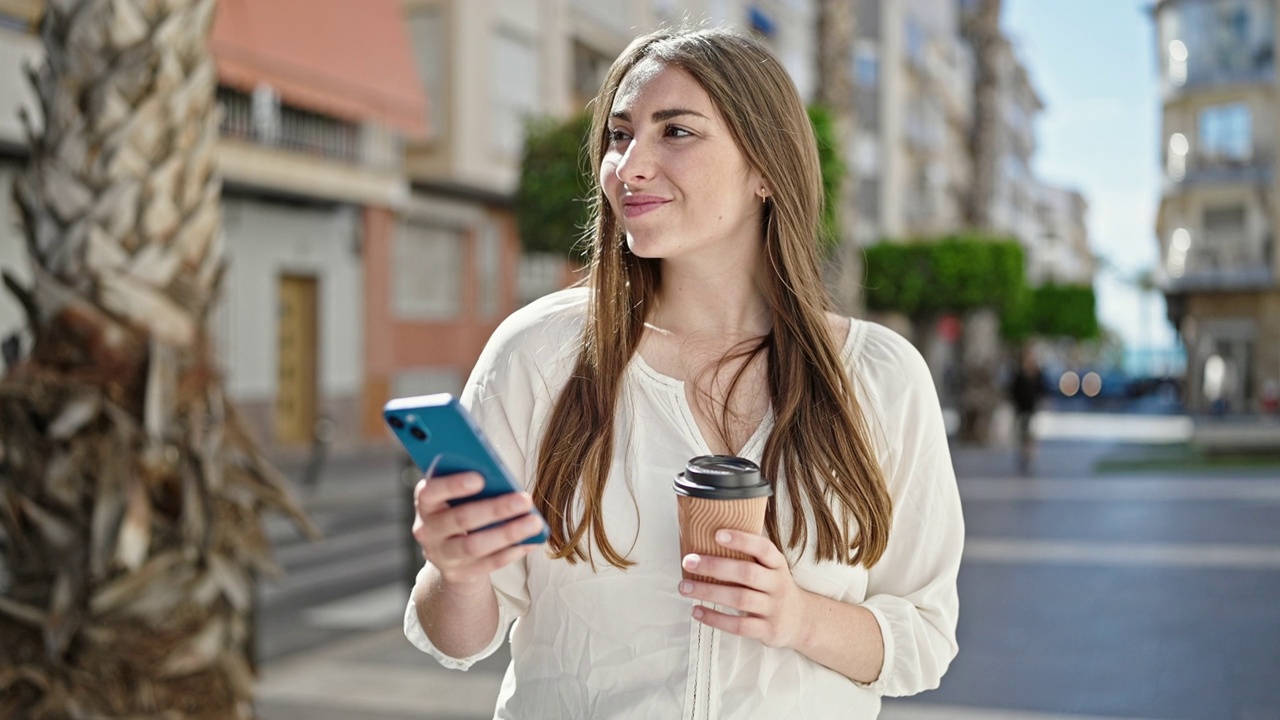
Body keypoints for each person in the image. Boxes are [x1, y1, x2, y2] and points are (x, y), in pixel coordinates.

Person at [405, 27, 963, 719]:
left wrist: (797, 618)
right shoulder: (537, 354)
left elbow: (924, 640)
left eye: (676, 131)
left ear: (766, 168)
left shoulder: (880, 378)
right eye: (618, 135)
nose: (629, 166)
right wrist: (455, 574)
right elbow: (460, 638)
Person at [1007, 346, 1045, 474]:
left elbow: (1042, 389)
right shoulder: (1019, 374)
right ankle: (1023, 455)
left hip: (1031, 408)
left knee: (1030, 433)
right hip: (1020, 408)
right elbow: (1013, 390)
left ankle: (1029, 454)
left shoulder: (1037, 373)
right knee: (1021, 433)